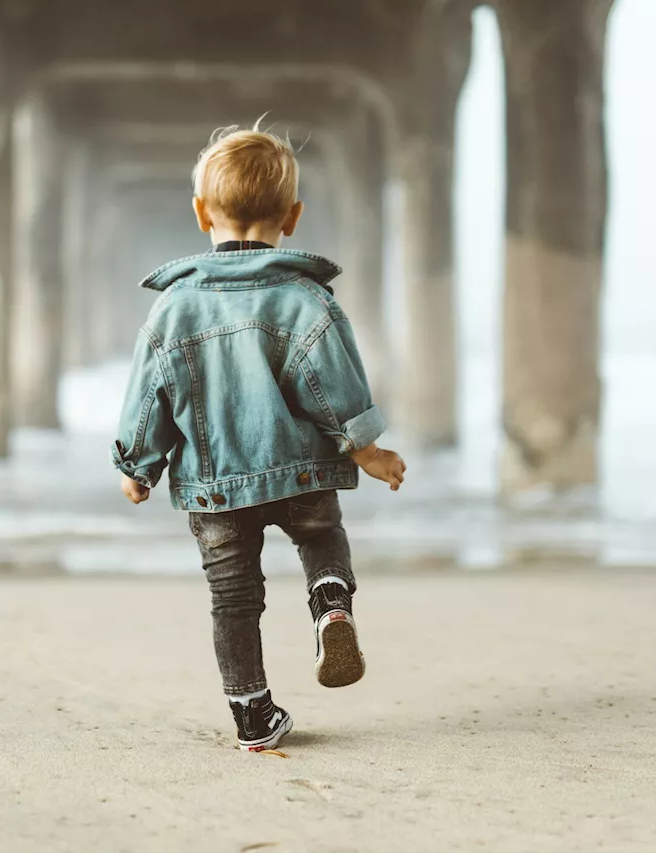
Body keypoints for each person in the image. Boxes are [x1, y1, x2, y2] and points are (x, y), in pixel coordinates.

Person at [110, 122, 406, 752]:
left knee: (234, 600)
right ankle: (330, 602)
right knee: (322, 537)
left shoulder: (174, 309)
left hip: (216, 488)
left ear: (199, 213)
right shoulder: (307, 300)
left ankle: (253, 715)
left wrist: (138, 464)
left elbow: (149, 394)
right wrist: (366, 449)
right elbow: (335, 387)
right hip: (303, 472)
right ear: (292, 218)